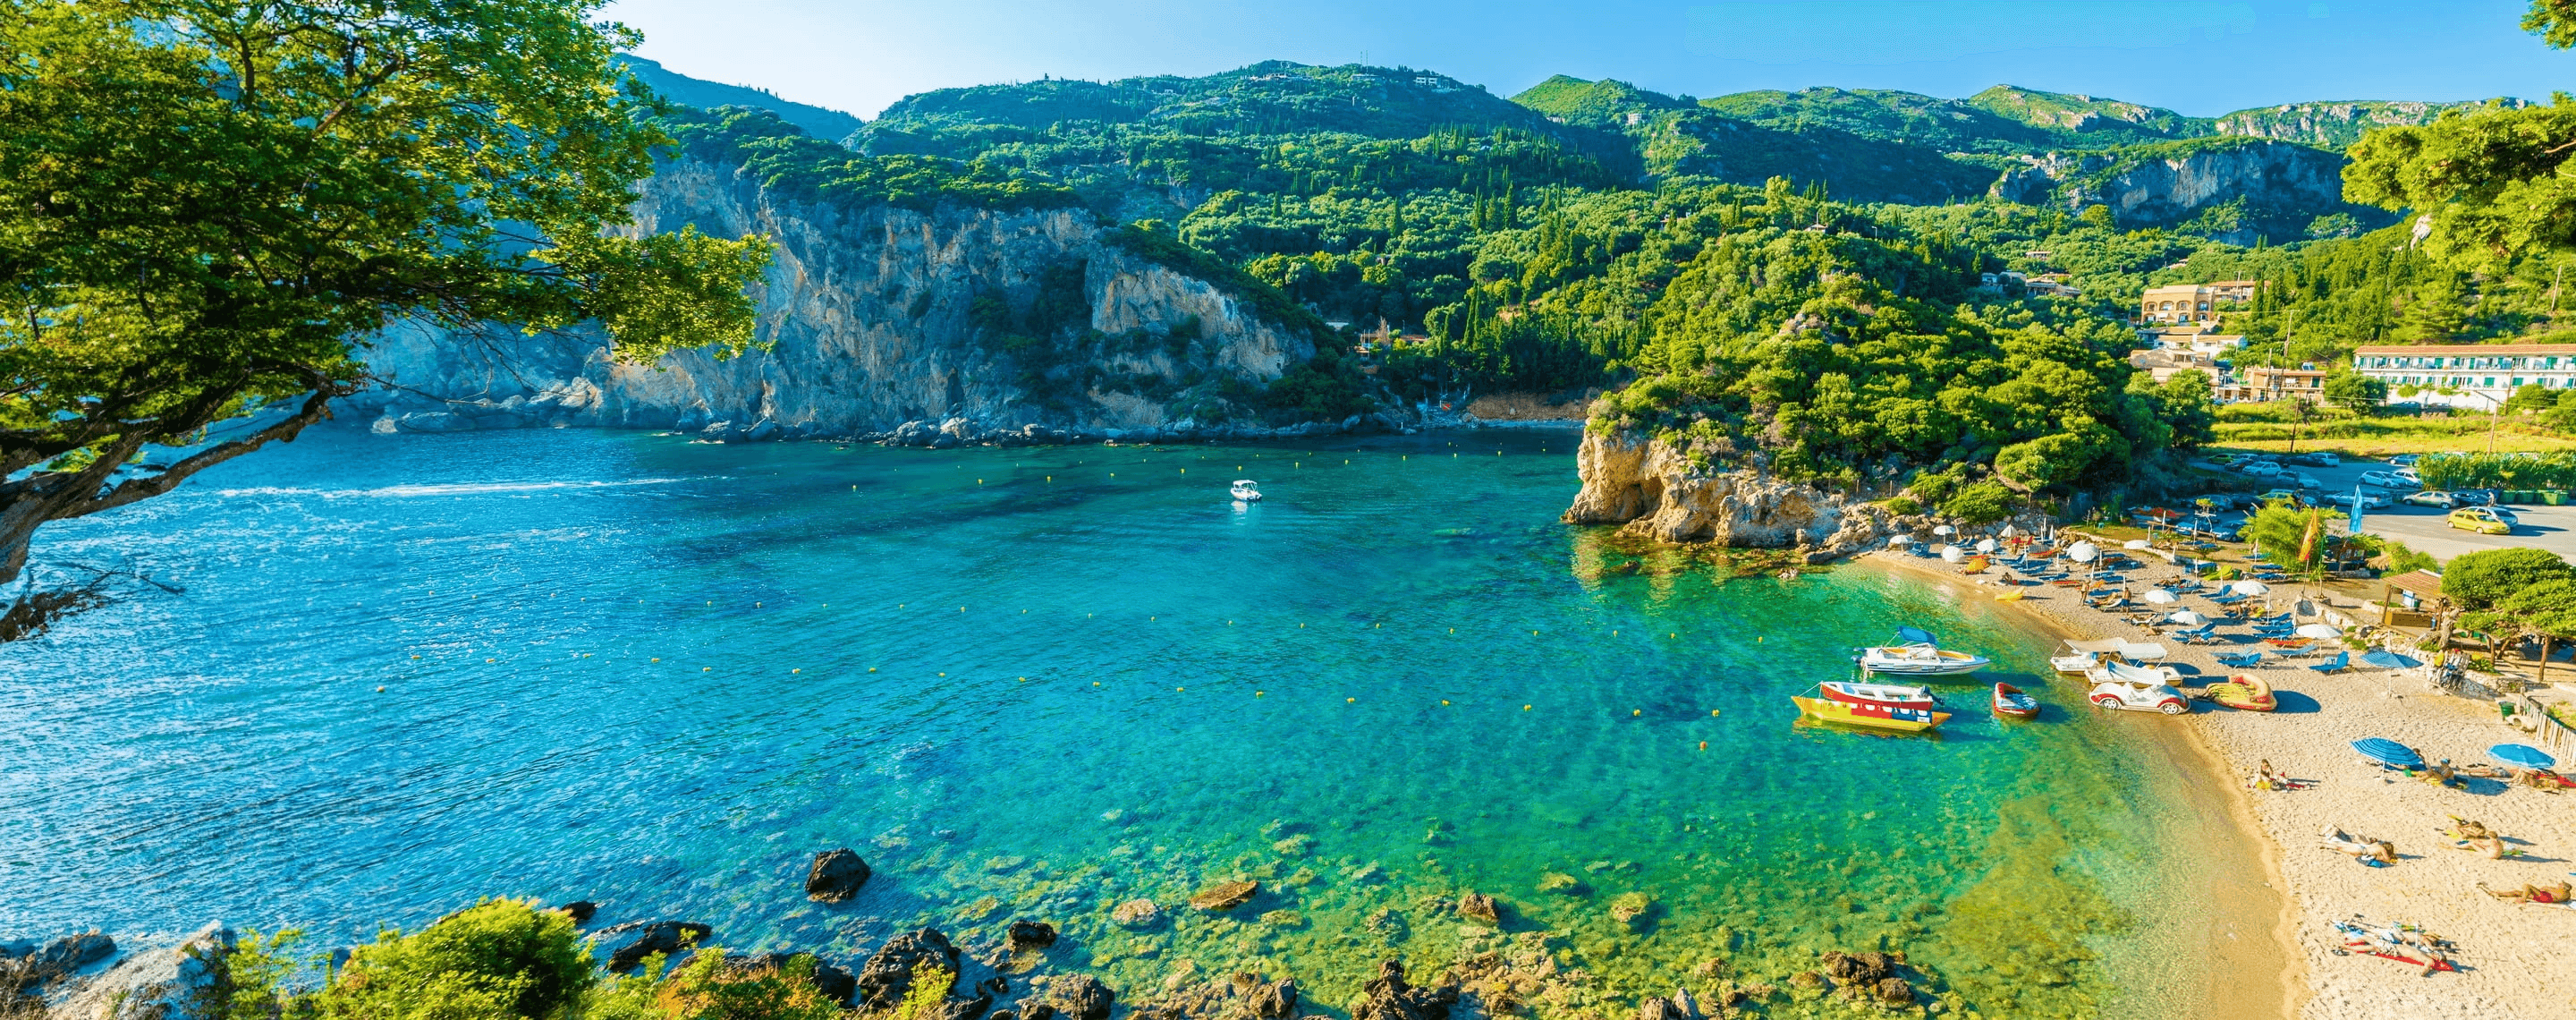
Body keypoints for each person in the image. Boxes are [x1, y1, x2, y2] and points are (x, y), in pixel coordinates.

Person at [2479, 880, 2572, 905]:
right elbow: (2564, 900)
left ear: (2563, 887)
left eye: (2561, 884)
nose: (2559, 884)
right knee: (2517, 892)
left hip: (2546, 897)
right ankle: (2497, 893)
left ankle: (2523, 899)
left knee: (2527, 886)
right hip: (2547, 898)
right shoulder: (2567, 894)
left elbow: (2545, 888)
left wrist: (2546, 889)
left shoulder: (2557, 891)